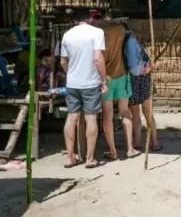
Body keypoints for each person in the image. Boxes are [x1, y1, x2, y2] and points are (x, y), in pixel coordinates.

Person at [60, 14, 107, 168]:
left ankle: (70, 157)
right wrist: (104, 79)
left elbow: (62, 61)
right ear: (91, 19)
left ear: (75, 20)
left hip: (73, 83)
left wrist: (71, 74)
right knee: (91, 118)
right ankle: (90, 158)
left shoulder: (67, 35)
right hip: (91, 83)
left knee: (71, 118)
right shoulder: (97, 33)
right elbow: (98, 58)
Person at [98, 18, 139, 160]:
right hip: (122, 75)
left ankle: (113, 151)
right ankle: (130, 148)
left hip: (106, 78)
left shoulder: (98, 32)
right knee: (125, 111)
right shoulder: (120, 29)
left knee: (108, 115)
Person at [128, 43, 161, 152]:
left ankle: (150, 141)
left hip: (141, 81)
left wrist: (148, 68)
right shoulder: (133, 48)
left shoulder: (138, 49)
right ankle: (141, 141)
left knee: (143, 112)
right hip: (137, 82)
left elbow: (151, 64)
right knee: (139, 113)